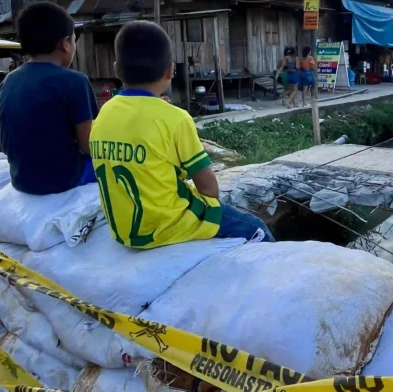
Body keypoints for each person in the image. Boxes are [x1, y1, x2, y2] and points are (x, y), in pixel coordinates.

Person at [90, 21, 274, 248]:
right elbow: (209, 189)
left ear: (117, 69)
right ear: (170, 70)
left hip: (124, 232)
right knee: (257, 228)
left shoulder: (103, 114)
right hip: (168, 226)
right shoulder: (176, 118)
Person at [0, 2, 98, 195]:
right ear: (65, 43)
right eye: (74, 41)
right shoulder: (75, 81)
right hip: (64, 179)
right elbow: (89, 145)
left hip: (21, 179)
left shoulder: (10, 80)